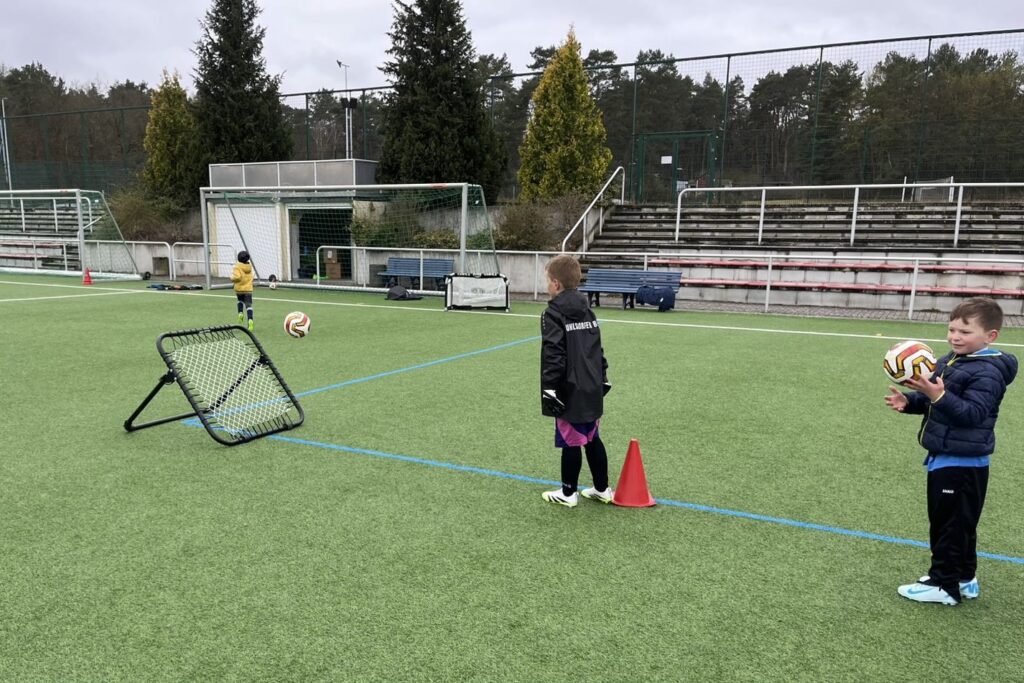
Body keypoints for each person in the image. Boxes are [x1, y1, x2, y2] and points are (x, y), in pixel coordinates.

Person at [886, 297, 1017, 605]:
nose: (955, 337)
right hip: (948, 456)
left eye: (964, 332)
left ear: (990, 336)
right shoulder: (954, 359)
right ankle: (965, 577)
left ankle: (943, 585)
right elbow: (936, 399)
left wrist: (938, 395)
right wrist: (911, 402)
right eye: (952, 329)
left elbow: (971, 413)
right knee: (961, 524)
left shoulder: (988, 371)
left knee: (949, 525)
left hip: (962, 462)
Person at [539, 254, 614, 508]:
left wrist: (551, 391)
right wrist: (602, 376)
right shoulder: (587, 308)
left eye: (548, 281)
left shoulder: (553, 314)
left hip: (570, 389)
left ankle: (568, 493)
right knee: (592, 437)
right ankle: (602, 489)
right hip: (591, 386)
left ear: (557, 284)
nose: (547, 286)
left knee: (571, 440)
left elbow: (554, 356)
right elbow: (597, 349)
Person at [231, 250, 255, 331]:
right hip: (248, 290)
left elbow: (237, 277)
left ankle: (240, 313)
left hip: (239, 289)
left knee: (240, 301)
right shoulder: (249, 267)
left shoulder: (237, 267)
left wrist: (232, 278)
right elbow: (252, 277)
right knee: (249, 306)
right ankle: (250, 320)